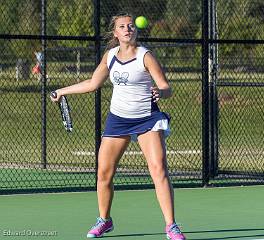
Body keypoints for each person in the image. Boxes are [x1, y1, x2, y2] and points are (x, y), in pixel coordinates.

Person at [50, 12, 186, 240]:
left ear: (136, 30)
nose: (127, 29)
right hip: (118, 119)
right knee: (104, 173)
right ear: (115, 33)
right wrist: (62, 91)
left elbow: (167, 87)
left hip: (147, 119)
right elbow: (93, 83)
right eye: (122, 26)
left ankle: (171, 226)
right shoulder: (110, 56)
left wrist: (160, 91)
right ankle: (104, 220)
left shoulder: (146, 56)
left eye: (131, 26)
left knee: (159, 170)